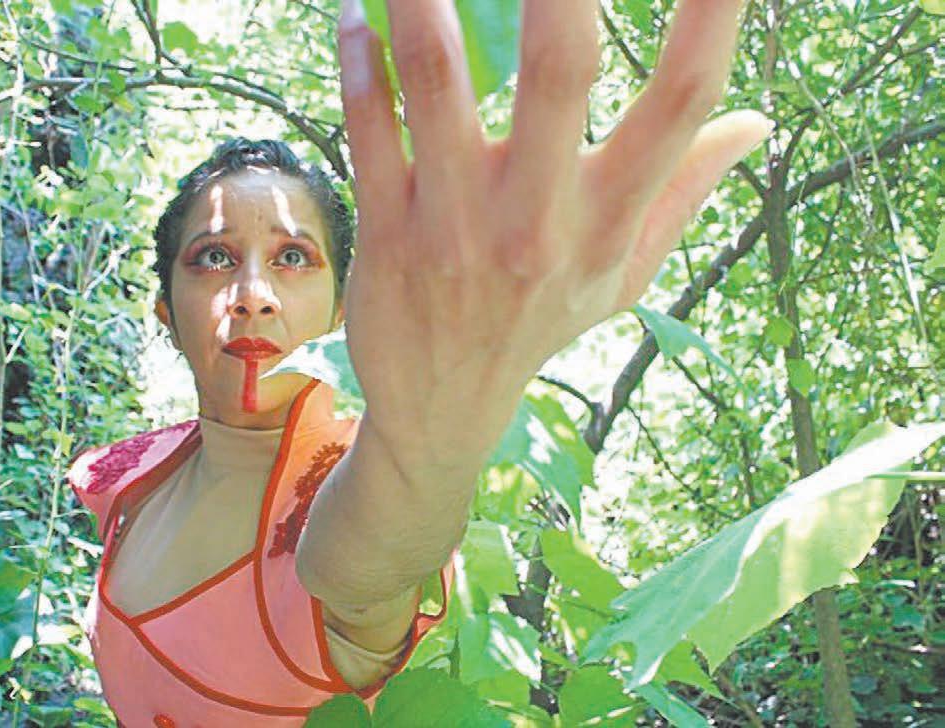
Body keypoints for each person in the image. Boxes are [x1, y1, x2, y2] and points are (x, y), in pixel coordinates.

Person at [70, 0, 771, 725]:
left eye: (293, 258)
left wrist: (442, 413)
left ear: (342, 309)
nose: (253, 294)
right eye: (214, 257)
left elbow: (371, 554)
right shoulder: (130, 479)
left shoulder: (339, 494)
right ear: (166, 311)